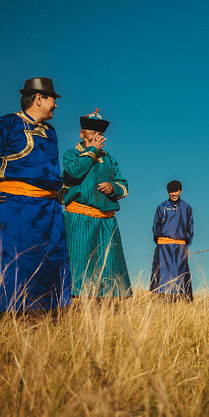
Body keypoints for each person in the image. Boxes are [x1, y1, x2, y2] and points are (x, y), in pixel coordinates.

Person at [0, 77, 71, 313]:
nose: (56, 105)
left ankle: (41, 315)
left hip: (49, 211)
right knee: (9, 261)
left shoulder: (51, 133)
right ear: (38, 98)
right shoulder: (7, 123)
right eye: (53, 100)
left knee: (48, 262)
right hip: (14, 206)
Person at [62, 109, 132, 299]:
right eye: (92, 132)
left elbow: (123, 184)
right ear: (81, 134)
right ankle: (75, 306)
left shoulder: (110, 159)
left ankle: (105, 310)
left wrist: (113, 188)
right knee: (79, 263)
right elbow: (72, 173)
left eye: (100, 133)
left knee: (109, 265)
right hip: (79, 219)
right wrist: (91, 151)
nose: (96, 136)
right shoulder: (72, 154)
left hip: (106, 222)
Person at [150, 180, 194, 300]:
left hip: (180, 246)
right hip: (163, 245)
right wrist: (161, 241)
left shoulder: (187, 207)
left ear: (180, 191)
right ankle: (161, 299)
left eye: (176, 191)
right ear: (168, 192)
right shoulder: (162, 207)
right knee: (163, 273)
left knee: (181, 273)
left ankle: (181, 300)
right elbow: (155, 226)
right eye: (171, 191)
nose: (174, 194)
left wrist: (185, 244)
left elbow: (190, 226)